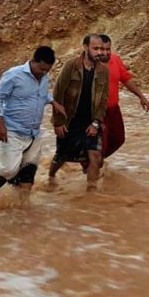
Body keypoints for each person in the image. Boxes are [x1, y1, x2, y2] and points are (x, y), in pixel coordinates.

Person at [0, 46, 66, 197]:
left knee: (28, 172)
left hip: (34, 133)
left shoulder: (44, 77)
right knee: (9, 170)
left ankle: (21, 211)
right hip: (12, 130)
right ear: (33, 61)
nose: (43, 73)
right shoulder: (13, 75)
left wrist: (52, 102)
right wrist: (0, 125)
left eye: (47, 70)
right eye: (41, 69)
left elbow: (40, 94)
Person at [48, 34, 109, 191]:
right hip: (70, 120)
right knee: (61, 156)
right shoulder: (71, 66)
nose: (100, 52)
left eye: (102, 48)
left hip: (90, 122)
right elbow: (58, 93)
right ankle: (51, 177)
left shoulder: (103, 71)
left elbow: (103, 100)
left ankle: (91, 194)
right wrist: (58, 122)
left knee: (95, 157)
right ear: (86, 47)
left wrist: (96, 122)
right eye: (96, 48)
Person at [98, 34, 149, 158]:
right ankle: (92, 165)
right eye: (102, 49)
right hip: (96, 111)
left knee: (118, 139)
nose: (105, 53)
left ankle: (93, 161)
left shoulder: (115, 60)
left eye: (108, 49)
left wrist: (141, 97)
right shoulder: (88, 64)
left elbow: (126, 79)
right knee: (100, 144)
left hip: (113, 110)